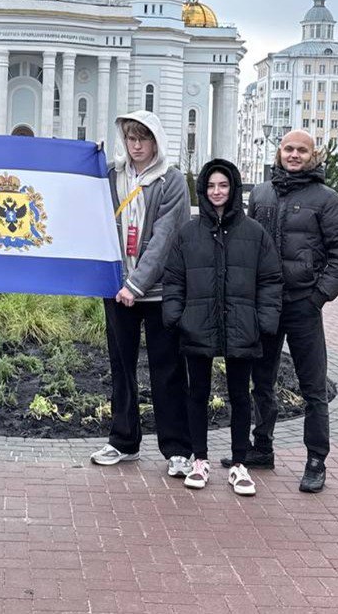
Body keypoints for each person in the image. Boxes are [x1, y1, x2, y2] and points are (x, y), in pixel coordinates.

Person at [238, 129, 338, 493]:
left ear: (313, 155)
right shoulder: (261, 193)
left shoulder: (326, 199)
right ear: (279, 152)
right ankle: (262, 448)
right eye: (288, 148)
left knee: (312, 387)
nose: (293, 155)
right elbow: (248, 245)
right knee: (262, 381)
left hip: (304, 305)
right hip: (266, 304)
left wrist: (318, 297)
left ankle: (316, 459)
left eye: (301, 150)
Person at [163, 159, 282, 495]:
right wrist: (176, 316)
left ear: (233, 189)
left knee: (239, 395)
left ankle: (240, 464)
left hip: (241, 325)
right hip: (198, 325)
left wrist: (264, 321)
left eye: (223, 185)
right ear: (203, 189)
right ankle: (198, 460)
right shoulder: (188, 233)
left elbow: (270, 278)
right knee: (197, 393)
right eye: (211, 186)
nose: (217, 192)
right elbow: (174, 278)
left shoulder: (254, 233)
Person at [90, 111, 193, 477]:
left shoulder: (171, 180)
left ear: (156, 142)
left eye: (143, 139)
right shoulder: (112, 175)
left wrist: (137, 285)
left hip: (158, 293)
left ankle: (178, 449)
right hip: (117, 290)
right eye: (131, 138)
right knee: (121, 367)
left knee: (167, 370)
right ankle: (123, 440)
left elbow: (165, 238)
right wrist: (89, 161)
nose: (136, 146)